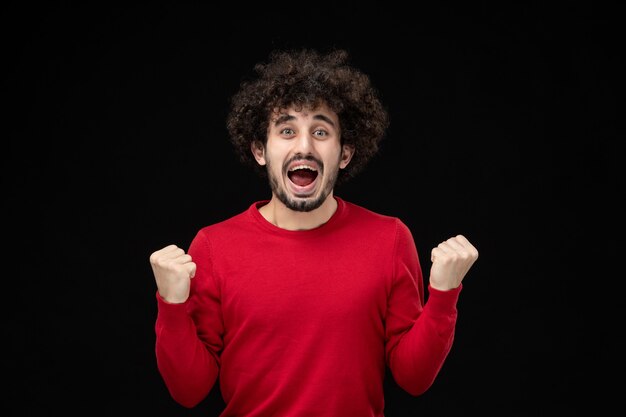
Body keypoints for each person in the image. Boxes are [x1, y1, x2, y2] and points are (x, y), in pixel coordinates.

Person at [149, 48, 479, 416]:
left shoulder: (390, 239)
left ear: (344, 154)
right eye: (287, 130)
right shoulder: (213, 247)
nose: (304, 146)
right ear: (261, 150)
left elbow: (413, 378)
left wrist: (444, 294)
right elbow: (189, 391)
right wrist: (171, 305)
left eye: (320, 131)